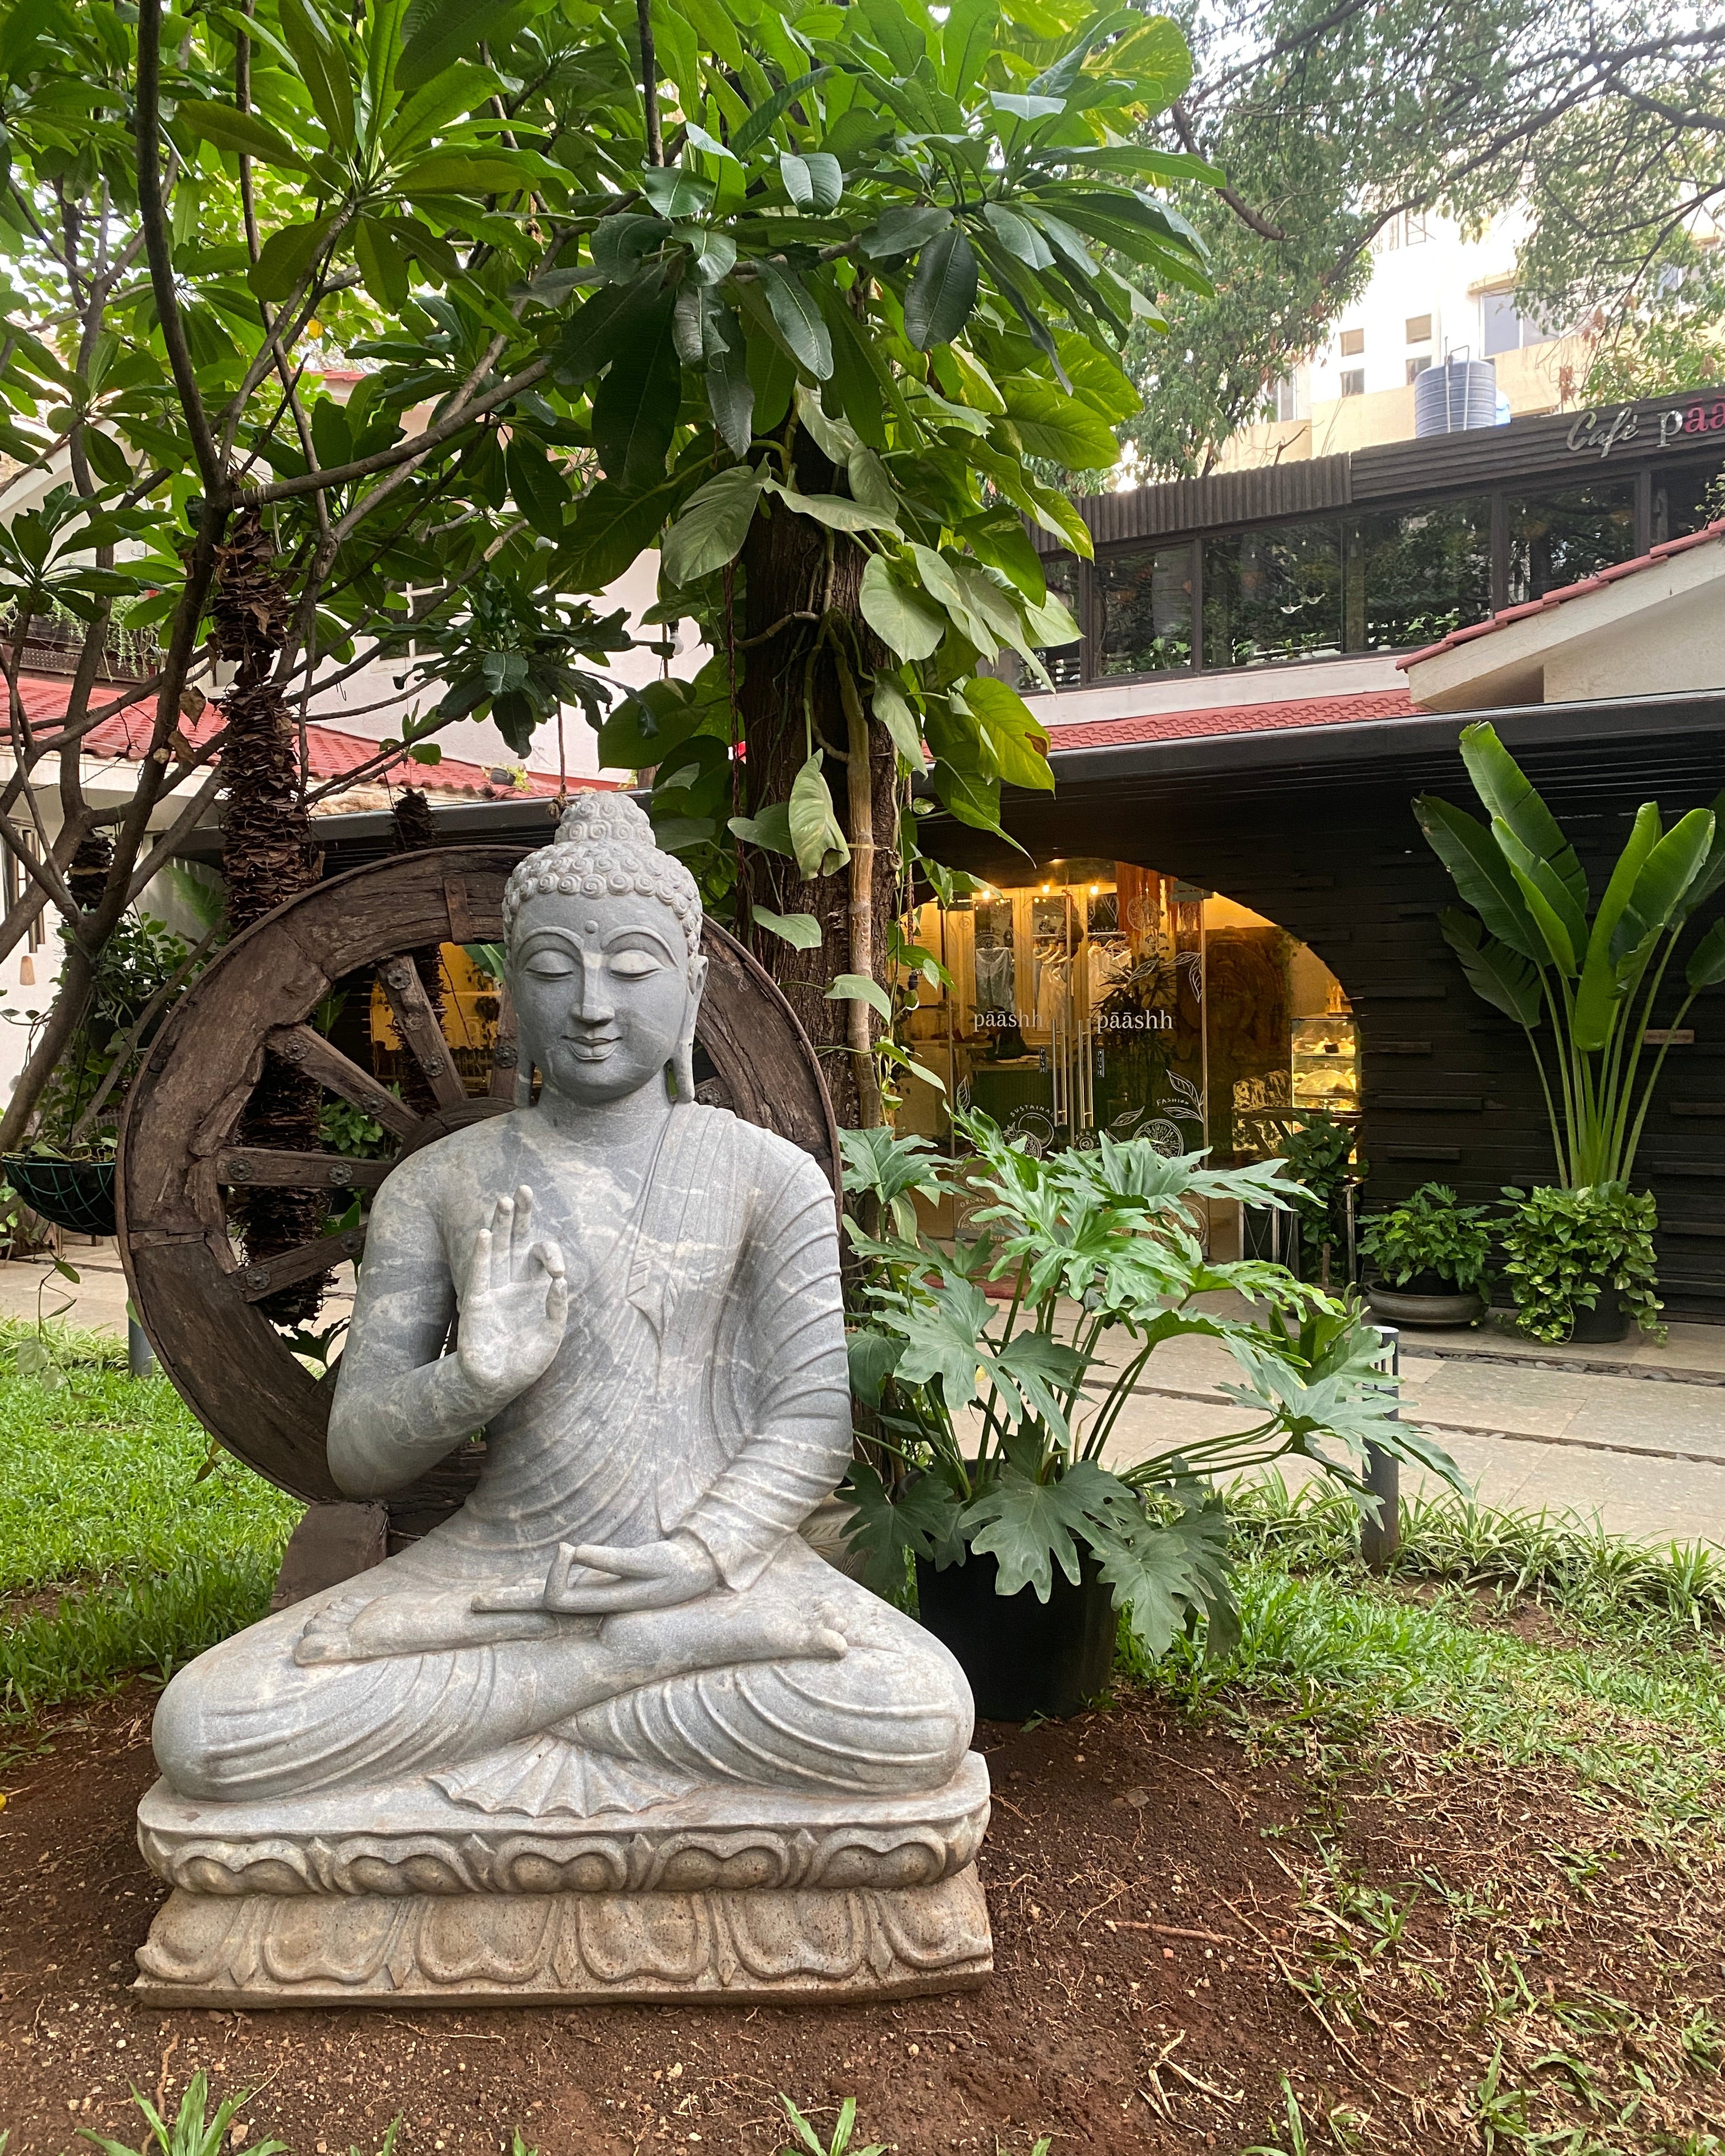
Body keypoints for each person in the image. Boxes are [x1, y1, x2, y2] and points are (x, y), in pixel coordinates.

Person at [152, 795, 971, 1820]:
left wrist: (696, 1561)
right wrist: (473, 1377)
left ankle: (556, 1693)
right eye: (551, 970)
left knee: (914, 1713)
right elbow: (357, 1456)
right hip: (504, 1572)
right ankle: (622, 1673)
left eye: (631, 968)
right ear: (512, 994)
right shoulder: (442, 1185)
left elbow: (810, 1427)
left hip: (715, 1575)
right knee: (211, 1730)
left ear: (695, 985)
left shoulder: (769, 1176)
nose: (592, 1002)